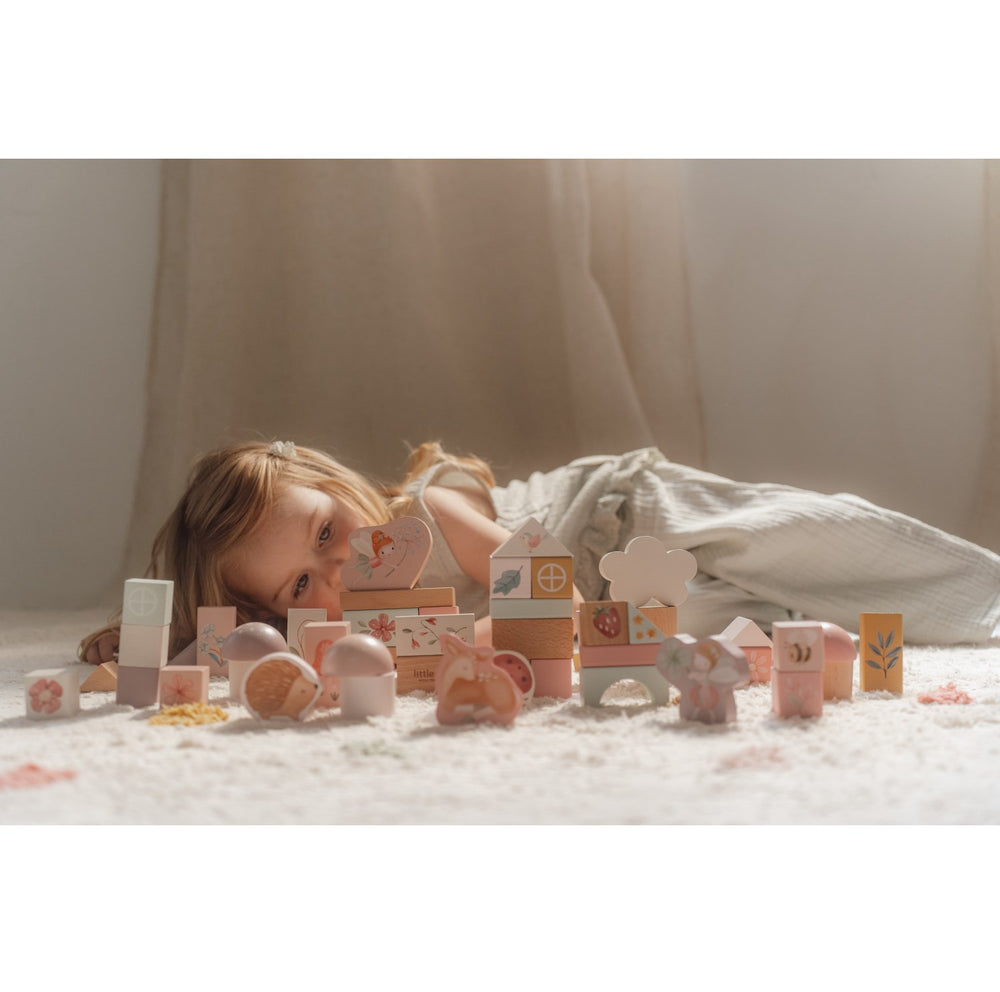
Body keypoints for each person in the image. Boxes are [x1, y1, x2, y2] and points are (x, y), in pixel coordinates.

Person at [79, 439, 1000, 665]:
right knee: (741, 629)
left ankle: (981, 595)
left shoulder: (429, 511)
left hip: (619, 521)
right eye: (301, 584)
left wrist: (478, 641)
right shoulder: (342, 629)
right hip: (620, 608)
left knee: (815, 538)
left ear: (338, 486)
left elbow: (541, 589)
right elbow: (227, 646)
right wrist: (148, 638)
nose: (341, 568)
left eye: (327, 530)